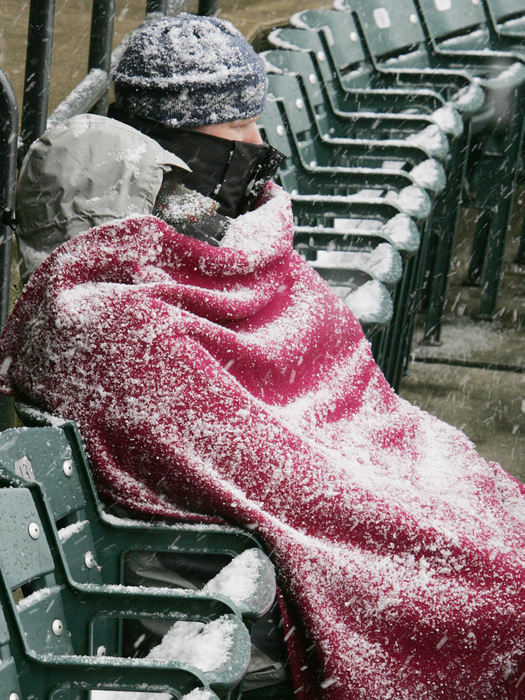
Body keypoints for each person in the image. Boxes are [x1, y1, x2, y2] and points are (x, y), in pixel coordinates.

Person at [1, 12, 524, 700]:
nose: (257, 143)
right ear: (175, 139)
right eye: (236, 127)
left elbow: (328, 401)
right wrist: (408, 511)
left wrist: (403, 476)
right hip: (236, 551)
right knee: (491, 582)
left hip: (344, 471)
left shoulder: (201, 228)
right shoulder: (114, 318)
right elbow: (279, 476)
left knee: (490, 524)